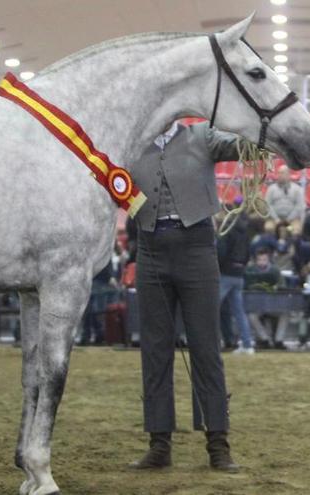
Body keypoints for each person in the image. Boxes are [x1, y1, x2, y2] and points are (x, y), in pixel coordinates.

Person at [128, 120, 238, 472]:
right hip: (149, 248)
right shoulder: (133, 141)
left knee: (206, 347)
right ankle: (159, 443)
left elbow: (241, 144)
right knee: (155, 350)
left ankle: (218, 443)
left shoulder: (202, 135)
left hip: (197, 246)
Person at [216, 209, 254, 354]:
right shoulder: (246, 233)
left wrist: (220, 266)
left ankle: (210, 342)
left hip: (225, 274)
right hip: (239, 275)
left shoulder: (227, 231)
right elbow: (248, 254)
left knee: (212, 309)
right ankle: (247, 345)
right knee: (239, 312)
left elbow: (221, 252)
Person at [245, 248, 287, 349]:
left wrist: (276, 288)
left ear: (268, 260)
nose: (262, 262)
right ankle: (264, 339)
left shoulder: (275, 271)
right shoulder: (250, 270)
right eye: (260, 260)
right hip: (257, 306)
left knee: (285, 314)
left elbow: (283, 286)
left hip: (274, 305)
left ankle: (278, 340)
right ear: (256, 260)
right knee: (251, 315)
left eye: (264, 260)